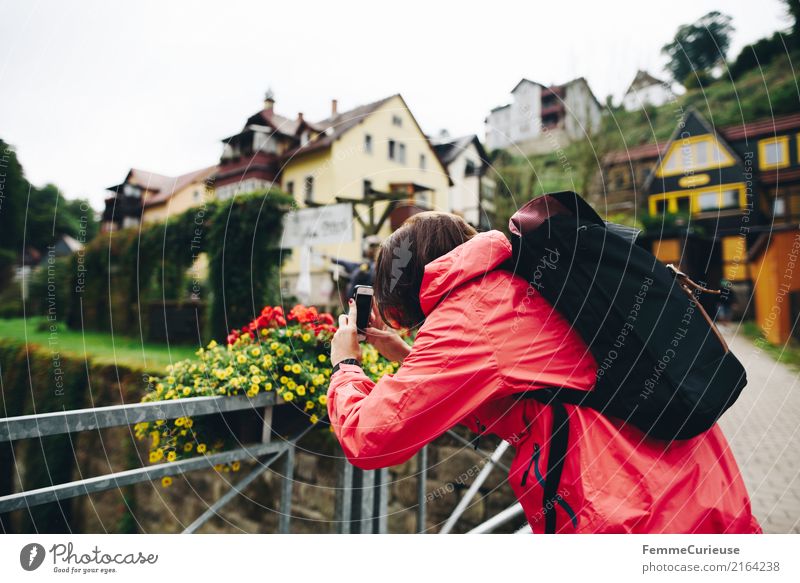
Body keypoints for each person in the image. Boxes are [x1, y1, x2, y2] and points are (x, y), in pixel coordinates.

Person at [327, 211, 761, 534]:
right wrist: (407, 355)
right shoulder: (521, 280)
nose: (407, 320)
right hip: (703, 491)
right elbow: (523, 394)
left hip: (631, 516)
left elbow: (370, 439)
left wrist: (346, 366)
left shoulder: (469, 314)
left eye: (399, 309)